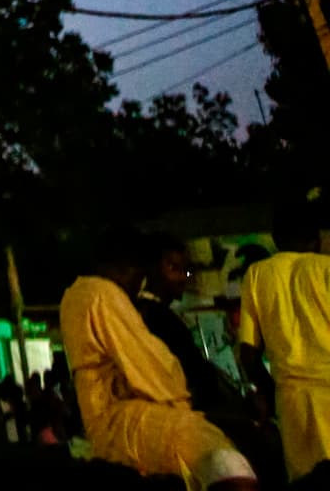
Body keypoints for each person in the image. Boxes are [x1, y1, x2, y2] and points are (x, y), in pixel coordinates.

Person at [60, 230, 258, 487]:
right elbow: (151, 367)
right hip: (118, 417)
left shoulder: (78, 295)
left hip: (108, 418)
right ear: (131, 269)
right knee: (225, 461)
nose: (138, 284)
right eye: (173, 268)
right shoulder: (103, 295)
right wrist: (184, 399)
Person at [237, 195, 330, 484]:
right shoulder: (326, 268)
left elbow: (249, 356)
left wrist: (274, 389)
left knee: (305, 479)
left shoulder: (256, 274)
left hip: (291, 402)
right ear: (316, 238)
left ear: (275, 238)